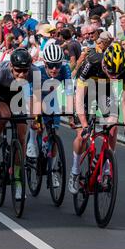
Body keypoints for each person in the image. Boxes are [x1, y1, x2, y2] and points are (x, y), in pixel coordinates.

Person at [68, 42, 125, 194]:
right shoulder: (91, 62)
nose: (114, 76)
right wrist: (85, 125)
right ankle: (75, 171)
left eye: (116, 75)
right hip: (85, 89)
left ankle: (106, 169)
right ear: (104, 63)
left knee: (113, 125)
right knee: (82, 136)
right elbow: (79, 98)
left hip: (104, 90)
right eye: (111, 72)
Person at [0, 48, 40, 200]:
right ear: (11, 66)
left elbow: (36, 98)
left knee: (22, 137)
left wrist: (36, 118)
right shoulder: (0, 71)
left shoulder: (35, 72)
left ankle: (17, 180)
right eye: (18, 71)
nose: (22, 74)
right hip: (1, 96)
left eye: (25, 71)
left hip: (18, 95)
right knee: (4, 115)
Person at [26, 45, 74, 189]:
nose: (54, 69)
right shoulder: (37, 72)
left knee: (54, 136)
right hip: (36, 97)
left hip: (52, 99)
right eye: (51, 65)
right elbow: (33, 99)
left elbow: (70, 93)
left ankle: (52, 171)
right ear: (45, 63)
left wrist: (71, 116)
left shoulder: (65, 70)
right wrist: (36, 118)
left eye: (57, 65)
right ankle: (32, 141)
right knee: (37, 122)